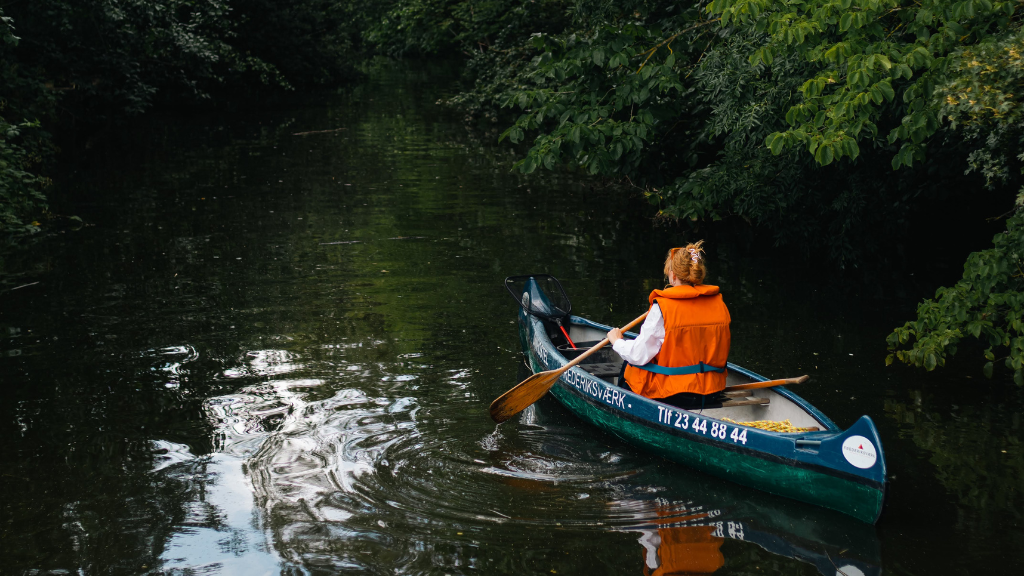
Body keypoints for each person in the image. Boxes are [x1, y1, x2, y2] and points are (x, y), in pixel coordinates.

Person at [607, 241, 731, 405]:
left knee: (629, 364)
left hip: (673, 394)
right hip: (711, 391)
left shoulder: (664, 308)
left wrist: (617, 342)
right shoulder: (719, 304)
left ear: (673, 275)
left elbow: (638, 355)